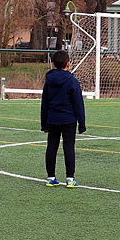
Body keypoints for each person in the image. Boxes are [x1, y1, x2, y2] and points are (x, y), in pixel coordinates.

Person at [40, 50, 86, 187]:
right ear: (68, 64)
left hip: (52, 119)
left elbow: (45, 103)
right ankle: (70, 179)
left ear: (53, 64)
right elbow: (78, 103)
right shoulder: (72, 81)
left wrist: (44, 123)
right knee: (69, 148)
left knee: (51, 147)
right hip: (69, 120)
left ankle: (51, 177)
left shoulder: (49, 80)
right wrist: (82, 124)